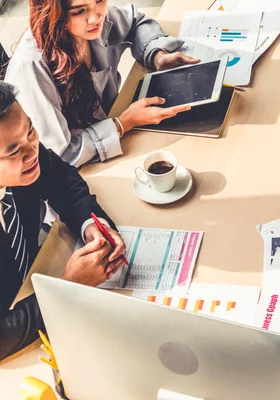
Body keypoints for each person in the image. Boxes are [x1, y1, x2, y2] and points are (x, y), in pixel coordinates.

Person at [0, 82, 126, 360]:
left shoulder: (26, 152)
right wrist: (68, 286)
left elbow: (61, 179)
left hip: (36, 280)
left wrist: (92, 224)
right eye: (13, 152)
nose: (32, 152)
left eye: (30, 131)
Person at [3, 0, 199, 168]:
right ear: (53, 13)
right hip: (79, 174)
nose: (95, 18)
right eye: (79, 11)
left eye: (99, 0)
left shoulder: (94, 18)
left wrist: (156, 55)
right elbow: (59, 154)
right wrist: (123, 123)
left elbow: (135, 22)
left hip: (114, 134)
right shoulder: (30, 66)